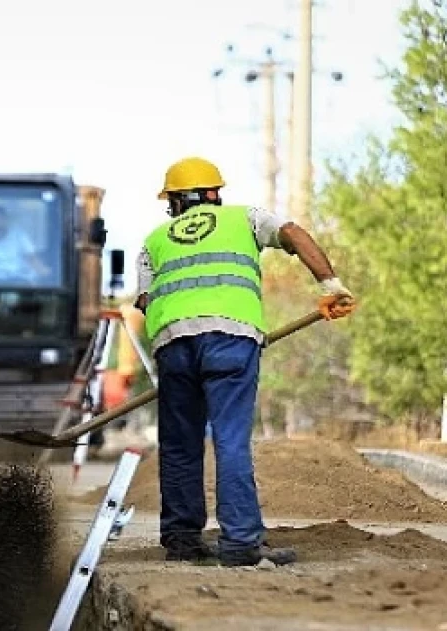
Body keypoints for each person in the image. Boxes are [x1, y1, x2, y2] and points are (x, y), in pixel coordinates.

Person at [134, 156, 356, 567]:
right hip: (231, 338)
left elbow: (147, 302)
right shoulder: (245, 218)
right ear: (214, 194)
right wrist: (332, 285)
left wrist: (185, 340)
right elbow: (292, 233)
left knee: (180, 446)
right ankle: (239, 543)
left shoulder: (153, 240)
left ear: (177, 202)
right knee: (230, 439)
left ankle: (182, 541)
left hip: (173, 342)